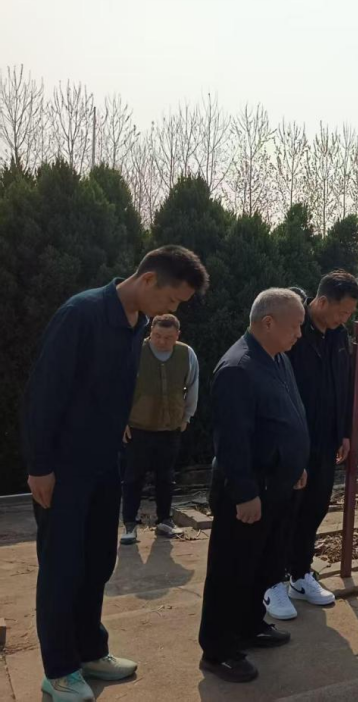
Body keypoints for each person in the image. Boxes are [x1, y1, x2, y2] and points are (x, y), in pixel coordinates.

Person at [22, 246, 208, 702]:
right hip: (65, 468)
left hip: (106, 463)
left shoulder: (136, 325)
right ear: (149, 280)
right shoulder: (81, 314)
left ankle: (90, 651)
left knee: (97, 562)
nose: (171, 310)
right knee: (62, 566)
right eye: (172, 299)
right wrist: (39, 466)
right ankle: (59, 670)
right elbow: (44, 393)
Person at [198, 289, 310, 683]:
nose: (299, 333)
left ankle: (249, 625)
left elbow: (289, 415)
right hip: (249, 492)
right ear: (268, 322)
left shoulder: (277, 357)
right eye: (295, 326)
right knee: (231, 571)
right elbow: (231, 441)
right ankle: (218, 651)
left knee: (263, 565)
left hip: (278, 485)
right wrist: (245, 493)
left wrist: (296, 464)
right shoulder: (238, 368)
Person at [262, 272, 358, 621]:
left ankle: (300, 574)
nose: (344, 318)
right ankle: (270, 581)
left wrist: (343, 432)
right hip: (292, 441)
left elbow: (344, 384)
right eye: (342, 311)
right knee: (284, 511)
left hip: (325, 441)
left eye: (349, 314)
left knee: (314, 508)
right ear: (321, 302)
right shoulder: (294, 330)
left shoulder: (338, 336)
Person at [120, 314, 200, 544]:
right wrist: (121, 421)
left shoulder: (186, 354)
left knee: (166, 477)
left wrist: (187, 416)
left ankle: (165, 520)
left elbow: (193, 385)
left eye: (168, 337)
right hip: (138, 427)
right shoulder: (135, 351)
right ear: (150, 332)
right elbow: (120, 386)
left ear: (177, 335)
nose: (162, 341)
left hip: (170, 427)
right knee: (133, 477)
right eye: (157, 336)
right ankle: (130, 524)